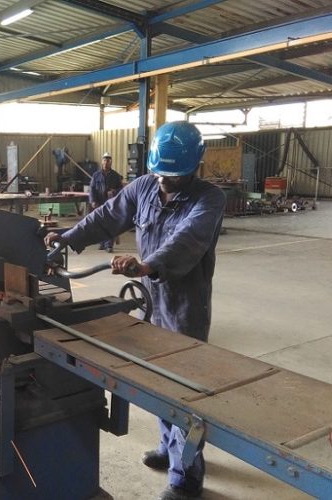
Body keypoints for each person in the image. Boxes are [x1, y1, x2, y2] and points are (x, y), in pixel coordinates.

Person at [45, 121, 226, 500]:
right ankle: (169, 447)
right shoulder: (144, 186)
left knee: (182, 387)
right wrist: (69, 237)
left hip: (185, 304)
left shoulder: (209, 199)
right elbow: (108, 215)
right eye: (161, 174)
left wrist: (147, 265)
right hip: (150, 296)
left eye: (175, 177)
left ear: (196, 166)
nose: (166, 182)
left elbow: (188, 239)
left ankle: (186, 476)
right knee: (157, 376)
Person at [89, 152, 123, 252]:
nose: (106, 162)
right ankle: (102, 243)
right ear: (102, 162)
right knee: (100, 223)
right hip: (99, 203)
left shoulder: (115, 176)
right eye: (104, 160)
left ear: (110, 162)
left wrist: (114, 191)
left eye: (108, 161)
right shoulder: (96, 175)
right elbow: (92, 189)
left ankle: (109, 245)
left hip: (110, 203)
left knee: (110, 224)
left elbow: (121, 189)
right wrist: (93, 201)